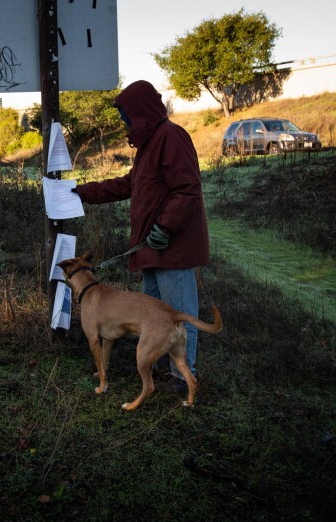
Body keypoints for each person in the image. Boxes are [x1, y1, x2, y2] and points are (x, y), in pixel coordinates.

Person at [72, 80, 210, 393]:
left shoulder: (172, 137)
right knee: (154, 317)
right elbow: (126, 185)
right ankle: (161, 367)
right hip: (150, 250)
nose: (124, 123)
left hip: (172, 249)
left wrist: (165, 227)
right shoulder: (148, 145)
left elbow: (188, 190)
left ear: (141, 112)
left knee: (177, 316)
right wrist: (80, 192)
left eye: (126, 116)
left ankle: (181, 378)